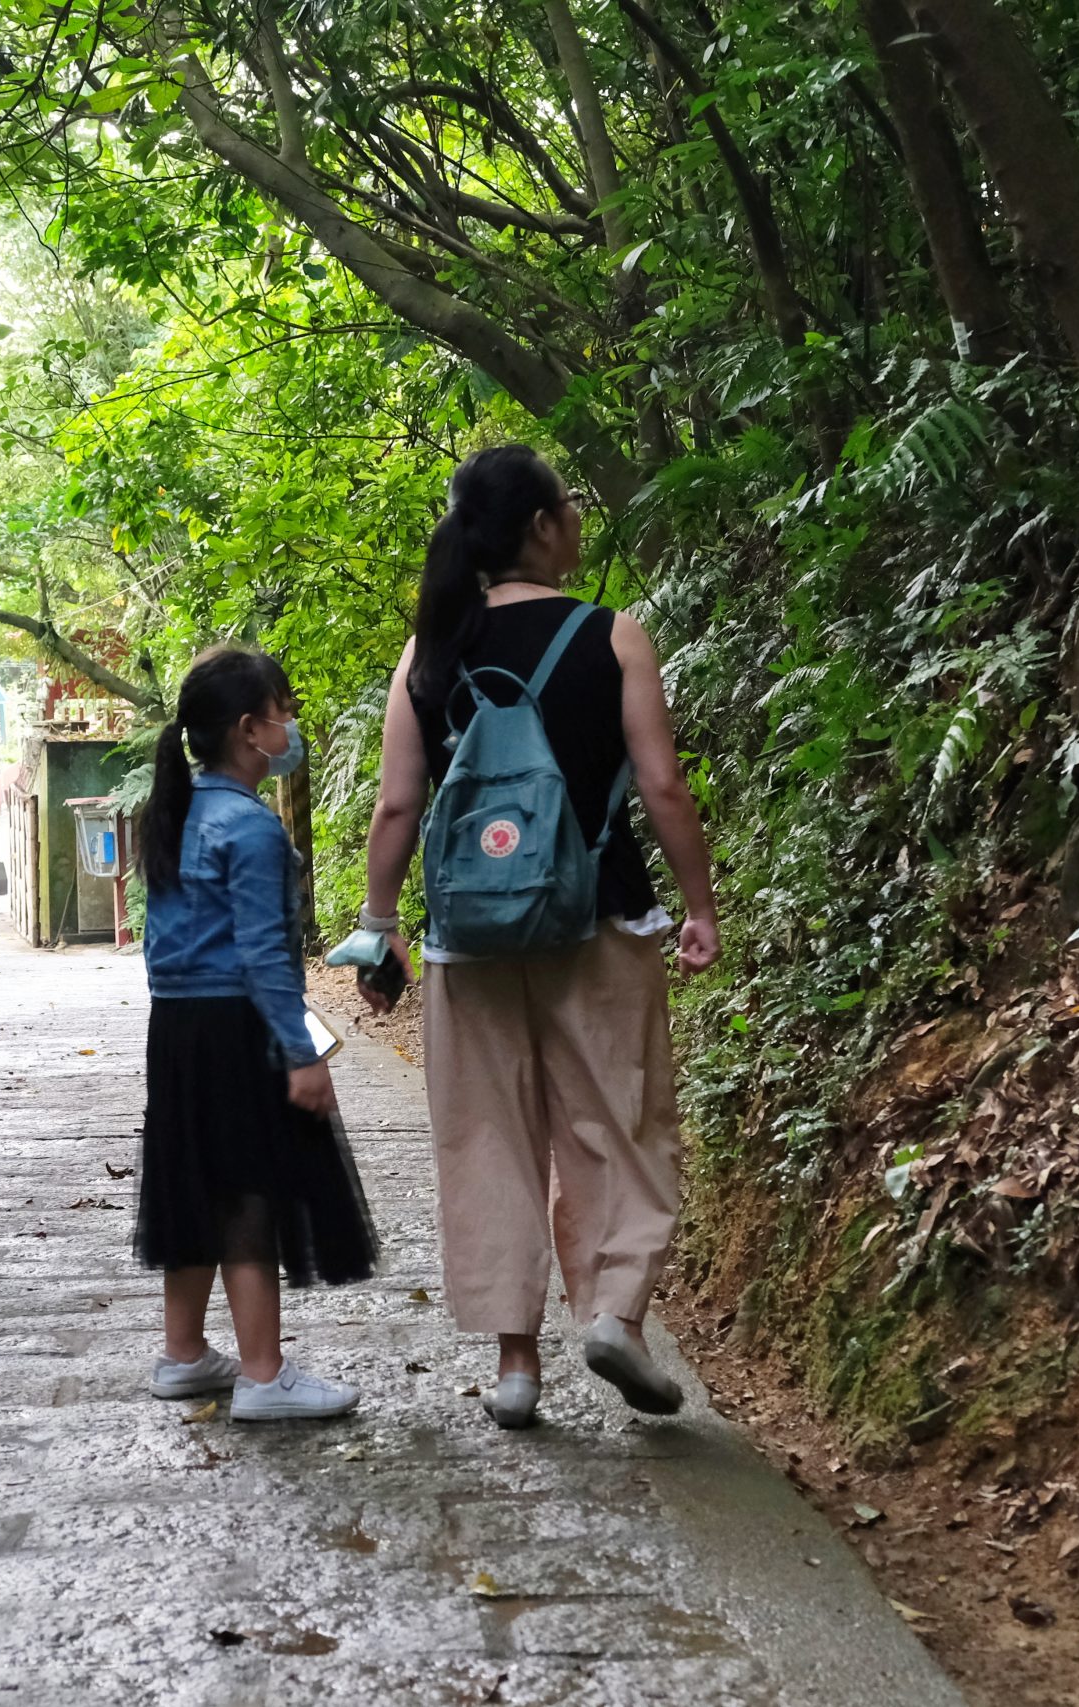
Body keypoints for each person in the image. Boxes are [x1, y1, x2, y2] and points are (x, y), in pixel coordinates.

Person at [354, 443, 720, 1430]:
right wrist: (698, 906)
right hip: (596, 915)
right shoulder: (612, 636)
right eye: (568, 503)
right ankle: (614, 1317)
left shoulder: (429, 650)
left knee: (487, 1137)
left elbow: (397, 809)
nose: (576, 518)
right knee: (618, 1122)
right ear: (540, 527)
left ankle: (517, 1364)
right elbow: (661, 787)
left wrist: (377, 928)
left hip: (467, 936)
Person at [134, 646, 377, 1421]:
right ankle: (264, 1374)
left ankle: (182, 1354)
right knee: (247, 1194)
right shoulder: (253, 830)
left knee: (190, 1182)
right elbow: (268, 958)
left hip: (174, 1026)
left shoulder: (173, 815)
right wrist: (301, 1053)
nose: (292, 726)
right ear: (249, 729)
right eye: (283, 711)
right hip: (236, 1027)